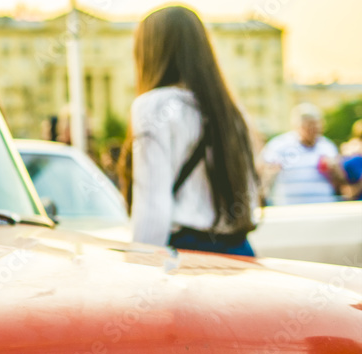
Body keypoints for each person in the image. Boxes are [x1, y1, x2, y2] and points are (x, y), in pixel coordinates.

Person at [119, 5, 257, 256]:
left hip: (188, 255)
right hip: (239, 250)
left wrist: (139, 266)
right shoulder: (231, 110)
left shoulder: (153, 106)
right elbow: (249, 191)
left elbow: (153, 206)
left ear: (151, 50)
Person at [259, 104, 339, 205]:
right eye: (308, 124)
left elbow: (340, 179)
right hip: (289, 209)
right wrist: (270, 171)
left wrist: (334, 169)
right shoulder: (278, 145)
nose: (313, 128)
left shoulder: (327, 146)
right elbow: (262, 171)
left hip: (323, 206)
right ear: (297, 126)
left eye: (316, 124)